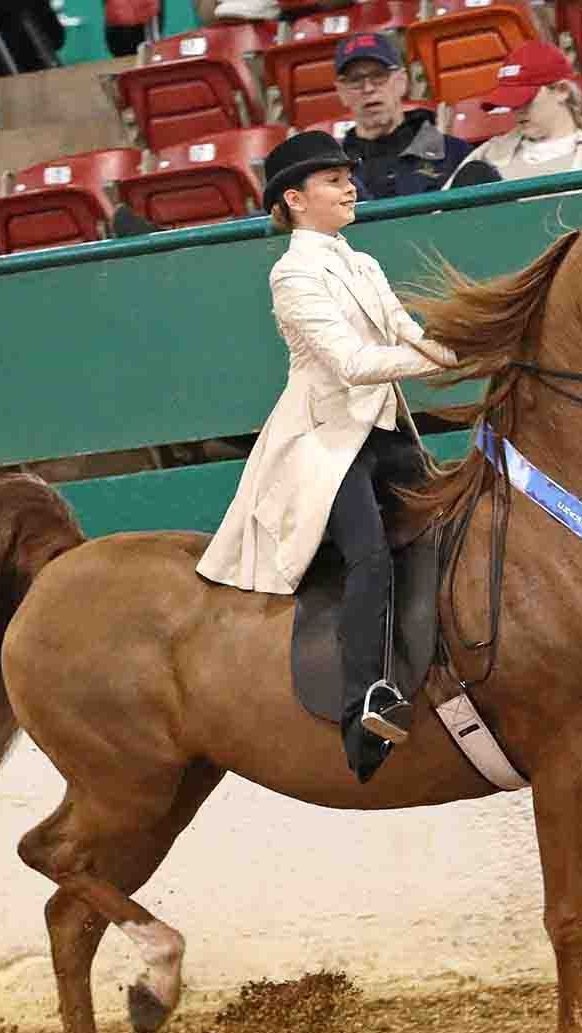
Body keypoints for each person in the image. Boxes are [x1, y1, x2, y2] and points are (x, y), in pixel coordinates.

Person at [196, 131, 457, 783]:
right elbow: (352, 363)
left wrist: (460, 346)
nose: (349, 188)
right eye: (334, 181)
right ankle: (363, 705)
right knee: (369, 556)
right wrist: (443, 360)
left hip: (385, 432)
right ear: (295, 199)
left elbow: (406, 333)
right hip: (326, 443)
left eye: (348, 178)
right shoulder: (292, 273)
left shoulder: (361, 264)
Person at [447, 41, 582, 186]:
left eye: (525, 100)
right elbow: (440, 214)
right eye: (511, 103)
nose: (517, 111)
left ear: (562, 91)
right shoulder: (488, 154)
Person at [330, 32, 481, 199]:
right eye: (355, 80)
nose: (368, 88)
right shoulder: (331, 173)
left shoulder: (454, 153)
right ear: (341, 92)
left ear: (402, 81)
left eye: (379, 75)